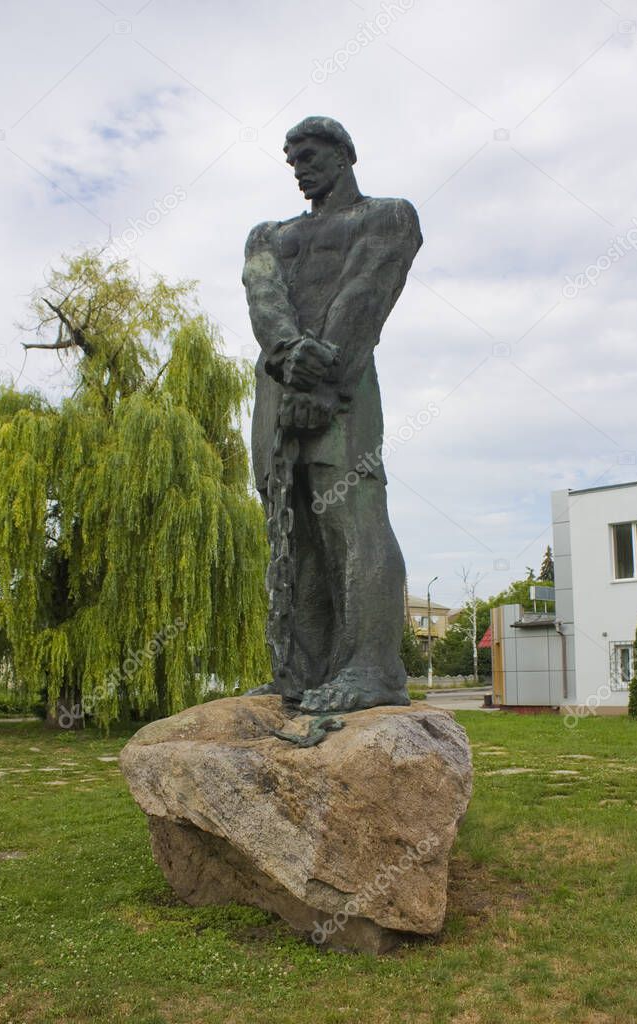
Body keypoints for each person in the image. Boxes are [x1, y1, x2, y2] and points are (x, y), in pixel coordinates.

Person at [242, 116, 422, 713]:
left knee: (351, 514)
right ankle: (301, 669)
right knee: (289, 524)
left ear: (345, 154)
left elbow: (368, 289)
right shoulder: (268, 233)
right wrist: (291, 355)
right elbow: (263, 294)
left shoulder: (387, 214)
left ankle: (372, 668)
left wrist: (326, 376)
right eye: (291, 159)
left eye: (311, 154)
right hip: (278, 381)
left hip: (345, 378)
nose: (300, 167)